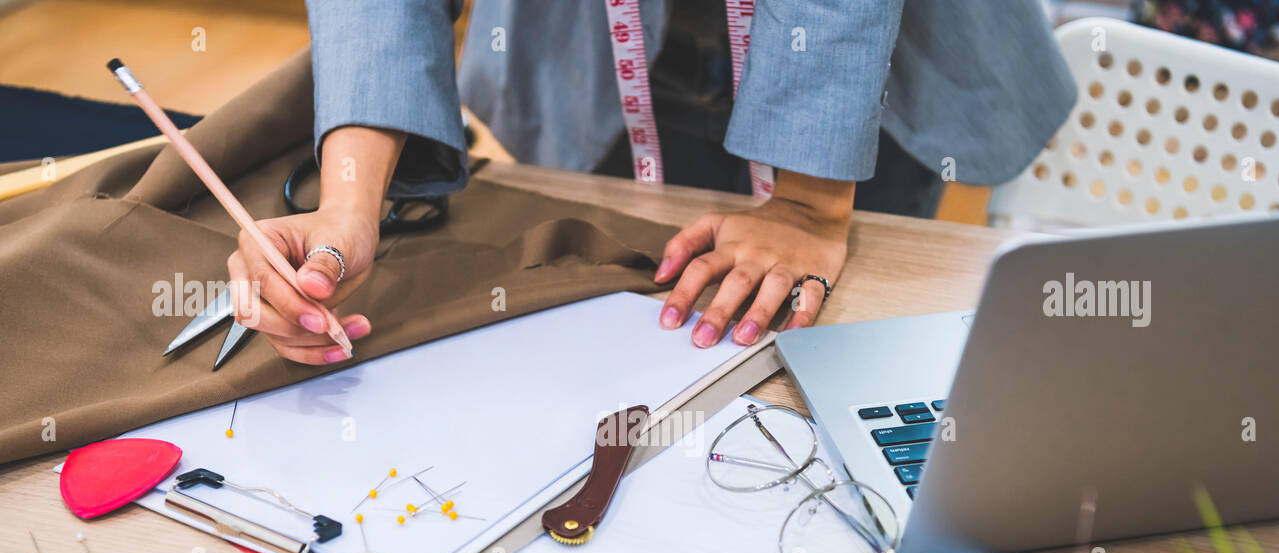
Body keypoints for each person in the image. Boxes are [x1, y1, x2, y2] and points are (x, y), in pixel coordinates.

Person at [226, 0, 1076, 364]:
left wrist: (810, 203)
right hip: (591, 41)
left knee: (841, 371)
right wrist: (348, 201)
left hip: (862, 69)